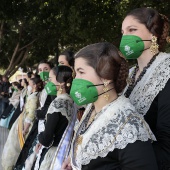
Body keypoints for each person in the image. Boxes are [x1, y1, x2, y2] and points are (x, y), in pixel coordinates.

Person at [62, 42, 158, 170]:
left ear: (106, 77)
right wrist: (73, 161)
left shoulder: (128, 125)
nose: (75, 80)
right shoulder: (92, 108)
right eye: (75, 73)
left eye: (81, 72)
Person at [119, 7, 170, 170]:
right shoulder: (130, 74)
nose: (125, 37)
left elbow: (167, 145)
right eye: (123, 32)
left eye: (132, 30)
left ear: (153, 34)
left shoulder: (167, 69)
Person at [28, 65, 74, 170]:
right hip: (66, 152)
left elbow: (46, 139)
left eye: (50, 79)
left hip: (54, 155)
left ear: (61, 83)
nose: (48, 82)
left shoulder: (57, 103)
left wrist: (40, 137)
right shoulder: (71, 101)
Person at [14, 60, 54, 170]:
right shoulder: (45, 88)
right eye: (40, 70)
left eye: (46, 69)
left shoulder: (53, 88)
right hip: (38, 124)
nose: (43, 72)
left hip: (47, 126)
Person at [1, 76, 43, 170]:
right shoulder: (34, 94)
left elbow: (31, 114)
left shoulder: (34, 97)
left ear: (35, 86)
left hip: (25, 123)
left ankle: (13, 164)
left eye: (30, 84)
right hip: (21, 120)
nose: (28, 86)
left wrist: (25, 128)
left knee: (16, 145)